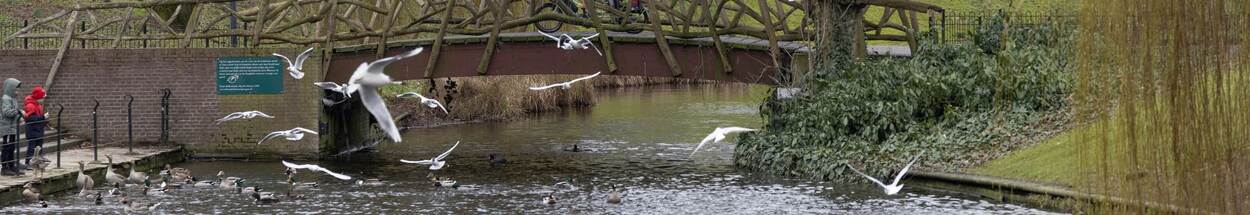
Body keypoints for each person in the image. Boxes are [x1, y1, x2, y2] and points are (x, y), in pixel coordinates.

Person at [1, 78, 23, 176]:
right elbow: (6, 112)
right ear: (10, 88)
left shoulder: (13, 98)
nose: (17, 91)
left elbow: (13, 111)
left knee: (12, 147)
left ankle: (11, 165)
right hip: (7, 128)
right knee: (7, 147)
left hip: (13, 127)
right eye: (15, 89)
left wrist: (19, 115)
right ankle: (4, 167)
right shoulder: (6, 98)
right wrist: (18, 112)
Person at [23, 85, 45, 169]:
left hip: (39, 129)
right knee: (32, 148)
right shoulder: (30, 106)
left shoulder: (38, 105)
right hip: (32, 130)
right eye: (42, 97)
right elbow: (29, 119)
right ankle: (28, 163)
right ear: (38, 97)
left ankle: (37, 163)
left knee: (39, 147)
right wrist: (43, 117)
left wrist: (44, 120)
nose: (43, 99)